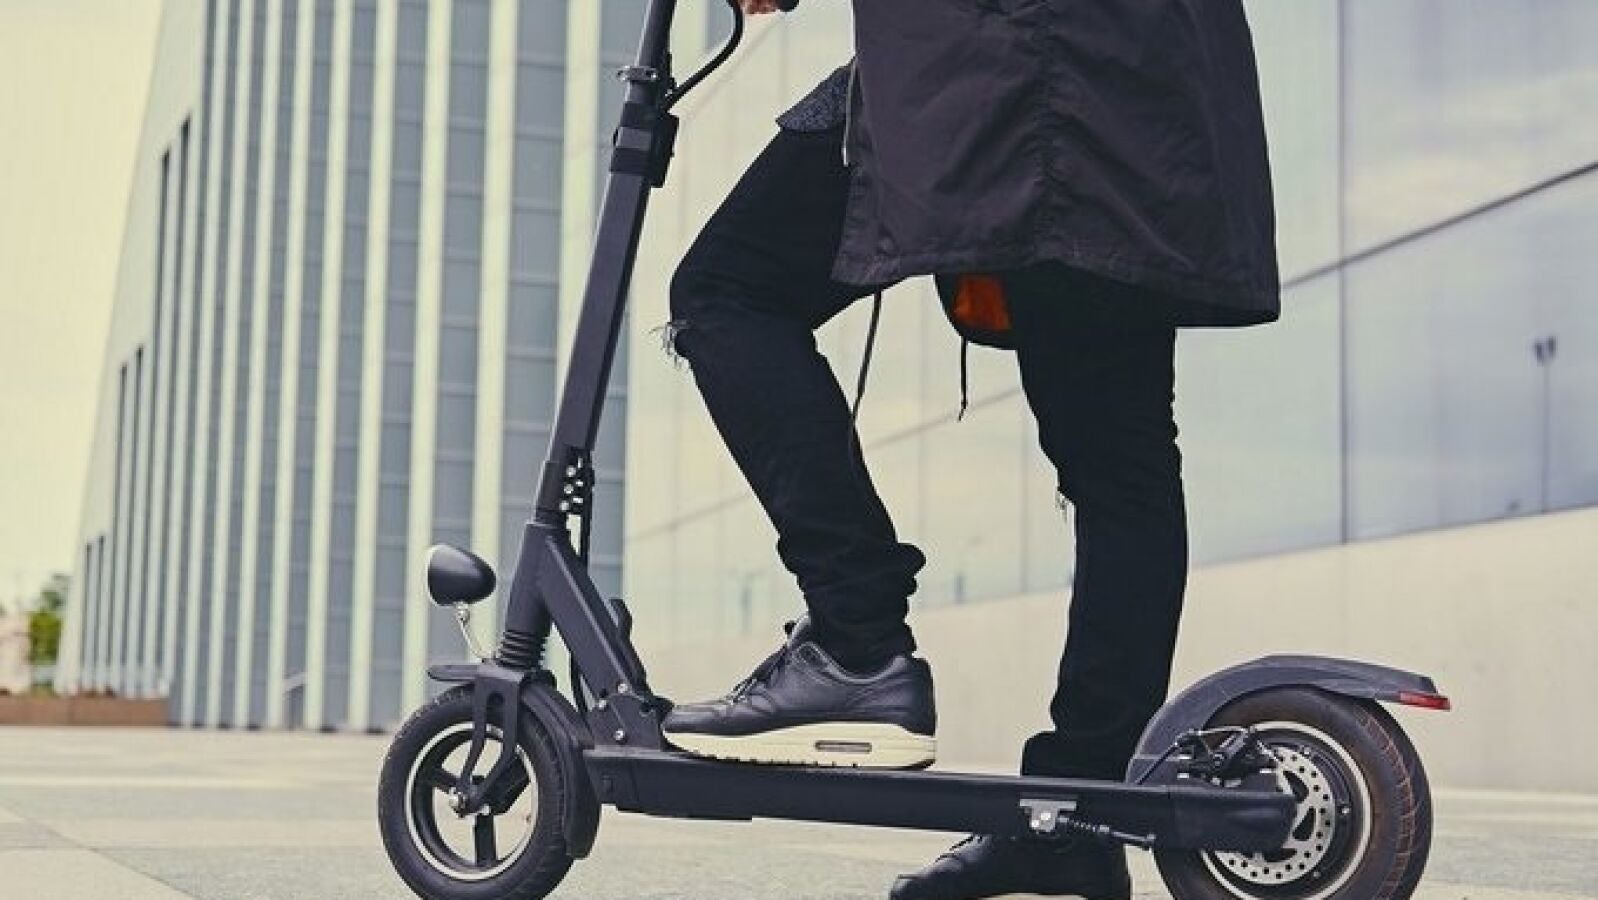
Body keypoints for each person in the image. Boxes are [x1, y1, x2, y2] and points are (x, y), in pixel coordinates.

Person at [660, 1, 1279, 896]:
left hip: (1000, 68)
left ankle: (857, 642)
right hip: (1144, 84)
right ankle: (1075, 813)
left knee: (728, 292)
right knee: (1121, 462)